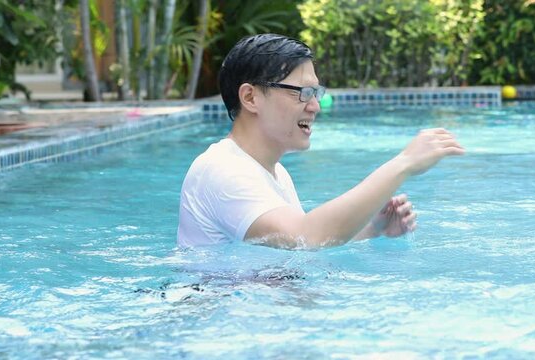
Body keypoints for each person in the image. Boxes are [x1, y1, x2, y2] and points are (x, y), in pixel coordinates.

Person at [177, 33, 464, 249]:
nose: (314, 106)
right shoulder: (222, 169)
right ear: (250, 98)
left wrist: (371, 229)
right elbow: (307, 237)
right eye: (302, 92)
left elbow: (299, 248)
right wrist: (404, 163)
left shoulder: (273, 174)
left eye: (316, 93)